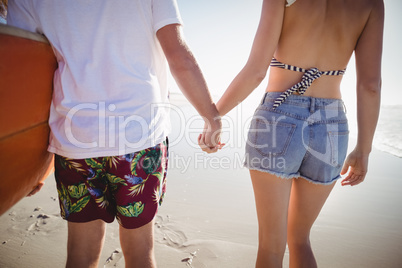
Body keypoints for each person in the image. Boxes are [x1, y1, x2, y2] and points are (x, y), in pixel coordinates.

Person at [7, 1, 222, 267]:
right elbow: (179, 57)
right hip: (140, 138)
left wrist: (33, 162)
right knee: (140, 253)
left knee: (80, 255)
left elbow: (25, 67)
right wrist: (211, 119)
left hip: (75, 140)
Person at [199, 0, 383, 267]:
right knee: (300, 240)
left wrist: (214, 117)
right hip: (332, 126)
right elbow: (370, 85)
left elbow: (256, 70)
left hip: (278, 117)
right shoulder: (372, 4)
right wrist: (363, 150)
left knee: (271, 247)